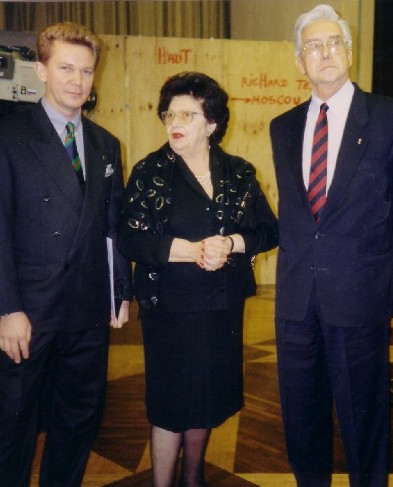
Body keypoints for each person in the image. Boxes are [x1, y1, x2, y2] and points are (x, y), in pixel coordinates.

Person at [0, 22, 132, 487]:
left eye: (86, 71)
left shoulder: (105, 144)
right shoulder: (4, 136)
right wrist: (8, 309)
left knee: (79, 417)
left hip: (87, 306)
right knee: (14, 418)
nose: (77, 81)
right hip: (30, 308)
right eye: (66, 68)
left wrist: (119, 291)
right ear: (41, 70)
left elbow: (112, 226)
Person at [269, 4, 393, 487]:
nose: (325, 52)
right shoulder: (283, 127)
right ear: (300, 61)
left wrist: (372, 270)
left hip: (359, 294)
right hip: (296, 300)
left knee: (364, 422)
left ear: (350, 53)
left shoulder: (390, 117)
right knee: (301, 420)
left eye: (334, 42)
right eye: (313, 46)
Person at [117, 71, 278, 487]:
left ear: (212, 123)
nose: (176, 122)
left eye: (188, 115)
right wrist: (187, 251)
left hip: (221, 308)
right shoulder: (149, 172)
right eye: (170, 114)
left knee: (206, 400)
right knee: (169, 406)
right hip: (168, 308)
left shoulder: (239, 173)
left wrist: (233, 244)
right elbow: (129, 238)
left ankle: (193, 479)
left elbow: (269, 231)